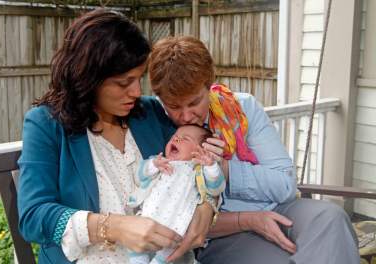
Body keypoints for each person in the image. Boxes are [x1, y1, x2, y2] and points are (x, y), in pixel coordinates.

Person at [17, 10, 216, 264]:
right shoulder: (46, 125)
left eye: (139, 79)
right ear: (89, 77)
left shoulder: (149, 114)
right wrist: (114, 227)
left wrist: (207, 206)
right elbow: (33, 217)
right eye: (124, 82)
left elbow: (202, 160)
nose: (136, 91)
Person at [148, 35, 360, 264]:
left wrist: (226, 168)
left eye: (194, 102)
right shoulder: (157, 125)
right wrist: (248, 219)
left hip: (279, 207)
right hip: (225, 233)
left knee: (331, 217)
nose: (186, 116)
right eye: (174, 106)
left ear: (209, 85)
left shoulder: (241, 108)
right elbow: (167, 213)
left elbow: (286, 185)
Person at [127, 124, 225, 264]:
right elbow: (140, 175)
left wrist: (211, 166)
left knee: (170, 249)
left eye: (185, 139)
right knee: (136, 240)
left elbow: (216, 188)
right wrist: (154, 165)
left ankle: (159, 261)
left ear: (201, 151)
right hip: (151, 213)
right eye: (174, 137)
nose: (176, 140)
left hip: (178, 219)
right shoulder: (161, 161)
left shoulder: (198, 169)